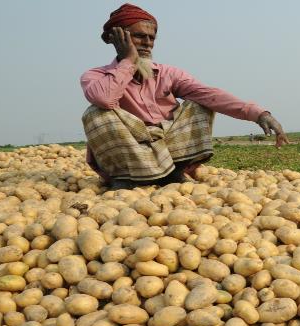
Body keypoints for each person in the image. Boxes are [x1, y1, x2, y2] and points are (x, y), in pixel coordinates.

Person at [81, 3, 288, 189]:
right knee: (96, 113)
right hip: (132, 150)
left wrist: (259, 114)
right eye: (138, 36)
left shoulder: (169, 73)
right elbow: (104, 99)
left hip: (169, 146)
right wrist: (128, 61)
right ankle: (127, 177)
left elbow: (210, 95)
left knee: (200, 104)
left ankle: (172, 173)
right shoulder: (96, 76)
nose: (147, 43)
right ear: (117, 39)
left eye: (151, 38)